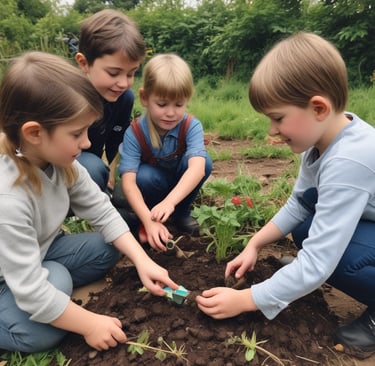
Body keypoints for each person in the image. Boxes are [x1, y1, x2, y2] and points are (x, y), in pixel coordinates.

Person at [195, 32, 375, 359]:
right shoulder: (323, 141)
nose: (272, 131)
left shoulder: (349, 159)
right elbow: (300, 203)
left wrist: (246, 299)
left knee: (331, 261)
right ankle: (300, 276)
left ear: (318, 108)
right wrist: (255, 243)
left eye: (278, 118)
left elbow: (321, 261)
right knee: (305, 228)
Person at [0, 51, 178, 353]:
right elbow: (30, 291)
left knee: (109, 245)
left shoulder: (59, 162)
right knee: (38, 333)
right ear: (34, 133)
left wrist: (142, 261)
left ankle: (51, 283)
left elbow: (101, 210)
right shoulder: (8, 199)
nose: (86, 143)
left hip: (38, 252)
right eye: (77, 133)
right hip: (6, 276)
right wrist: (89, 323)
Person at [118, 53, 212, 251]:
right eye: (162, 104)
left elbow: (197, 170)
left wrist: (170, 203)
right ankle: (152, 217)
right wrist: (148, 220)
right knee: (142, 176)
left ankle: (181, 213)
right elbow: (129, 183)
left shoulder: (190, 126)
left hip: (180, 185)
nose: (171, 113)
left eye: (179, 104)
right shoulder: (135, 132)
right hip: (154, 185)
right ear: (145, 98)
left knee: (204, 162)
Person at [75, 9, 145, 192]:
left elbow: (115, 142)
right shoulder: (65, 96)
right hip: (53, 169)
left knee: (102, 176)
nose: (123, 83)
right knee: (93, 168)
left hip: (91, 167)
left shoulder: (124, 99)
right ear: (84, 63)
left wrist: (110, 176)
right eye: (113, 73)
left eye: (131, 73)